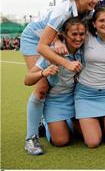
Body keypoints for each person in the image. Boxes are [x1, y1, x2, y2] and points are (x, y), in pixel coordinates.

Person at [20, 0, 98, 154]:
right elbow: (42, 45)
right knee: (41, 87)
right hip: (35, 39)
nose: (95, 1)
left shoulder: (88, 11)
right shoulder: (62, 12)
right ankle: (31, 138)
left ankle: (54, 118)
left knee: (60, 82)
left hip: (56, 40)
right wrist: (65, 61)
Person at [23, 17, 86, 155]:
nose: (78, 38)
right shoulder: (53, 52)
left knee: (85, 135)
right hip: (55, 101)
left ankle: (65, 123)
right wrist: (43, 72)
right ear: (64, 34)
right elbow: (27, 80)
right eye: (74, 34)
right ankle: (41, 127)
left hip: (76, 99)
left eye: (81, 34)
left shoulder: (84, 50)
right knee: (61, 141)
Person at [74, 7, 105, 148]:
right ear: (94, 23)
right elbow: (64, 32)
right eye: (101, 20)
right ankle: (73, 121)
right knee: (93, 143)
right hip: (85, 94)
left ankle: (102, 125)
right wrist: (58, 42)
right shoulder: (86, 37)